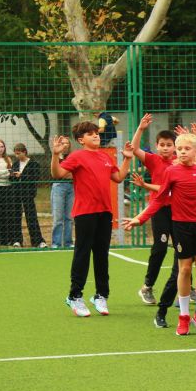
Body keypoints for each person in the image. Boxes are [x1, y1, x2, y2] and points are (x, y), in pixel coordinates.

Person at [126, 131, 196, 335]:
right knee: (184, 269)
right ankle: (183, 317)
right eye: (180, 149)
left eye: (187, 149)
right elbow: (159, 199)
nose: (182, 152)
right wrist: (140, 218)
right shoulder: (171, 172)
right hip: (181, 226)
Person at [51, 121, 135, 317]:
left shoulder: (105, 156)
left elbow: (119, 177)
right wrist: (55, 155)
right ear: (81, 140)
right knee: (82, 253)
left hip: (105, 212)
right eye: (90, 134)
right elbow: (57, 174)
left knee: (101, 255)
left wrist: (127, 159)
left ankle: (101, 295)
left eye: (96, 132)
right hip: (85, 212)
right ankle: (75, 296)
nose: (96, 135)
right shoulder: (77, 156)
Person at [130, 115, 176, 304]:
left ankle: (185, 285)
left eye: (169, 145)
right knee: (160, 248)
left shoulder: (180, 161)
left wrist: (195, 137)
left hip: (179, 210)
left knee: (183, 249)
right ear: (156, 146)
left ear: (175, 147)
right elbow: (134, 149)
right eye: (162, 145)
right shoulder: (153, 160)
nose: (165, 148)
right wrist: (141, 128)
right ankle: (147, 286)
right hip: (159, 209)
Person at [11, 143, 47, 248]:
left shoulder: (33, 164)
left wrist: (21, 175)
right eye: (15, 154)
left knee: (31, 217)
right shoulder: (15, 164)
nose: (17, 156)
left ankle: (37, 241)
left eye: (19, 153)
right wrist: (13, 175)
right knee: (16, 216)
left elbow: (35, 177)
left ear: (24, 152)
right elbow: (12, 179)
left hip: (28, 194)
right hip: (16, 193)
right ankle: (17, 240)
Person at [0, 139, 19, 246]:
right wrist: (6, 172)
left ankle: (7, 239)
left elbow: (11, 173)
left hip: (8, 188)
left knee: (7, 214)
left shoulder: (8, 159)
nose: (0, 149)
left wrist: (5, 173)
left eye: (2, 146)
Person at [49, 172, 74, 249]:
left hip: (72, 185)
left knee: (69, 218)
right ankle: (56, 244)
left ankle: (68, 243)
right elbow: (56, 173)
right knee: (58, 218)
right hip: (59, 184)